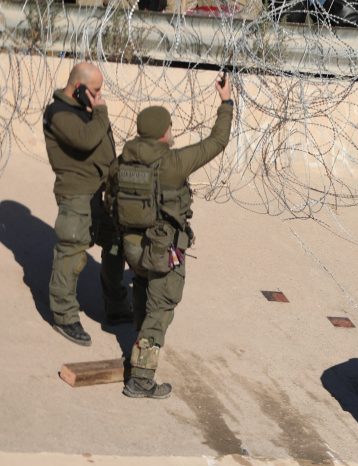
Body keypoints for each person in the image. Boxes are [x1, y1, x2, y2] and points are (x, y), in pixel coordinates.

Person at [110, 74, 234, 398]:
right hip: (163, 250)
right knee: (160, 309)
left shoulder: (123, 161)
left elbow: (109, 196)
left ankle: (138, 345)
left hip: (131, 247)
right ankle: (141, 379)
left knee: (141, 291)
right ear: (163, 132)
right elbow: (217, 142)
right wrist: (226, 102)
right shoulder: (173, 163)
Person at [43, 61, 131, 346]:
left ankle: (115, 305)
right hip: (77, 194)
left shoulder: (86, 110)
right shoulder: (58, 113)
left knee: (116, 245)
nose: (99, 96)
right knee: (72, 253)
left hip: (102, 193)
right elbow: (86, 140)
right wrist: (101, 112)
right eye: (95, 91)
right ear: (78, 87)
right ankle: (65, 315)